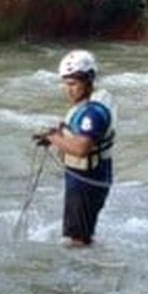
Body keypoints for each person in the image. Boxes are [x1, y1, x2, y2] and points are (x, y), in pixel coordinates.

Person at [37, 49, 115, 246]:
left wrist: (54, 138)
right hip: (88, 178)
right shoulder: (89, 105)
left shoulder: (93, 113)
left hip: (87, 182)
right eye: (66, 84)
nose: (68, 89)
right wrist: (54, 137)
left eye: (73, 84)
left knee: (77, 240)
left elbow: (81, 148)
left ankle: (80, 274)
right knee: (82, 235)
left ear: (89, 80)